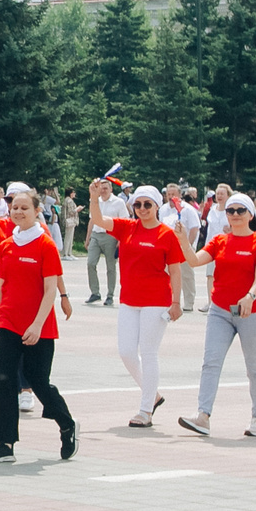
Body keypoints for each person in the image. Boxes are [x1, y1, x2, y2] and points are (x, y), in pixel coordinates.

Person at [0, 184, 74, 463]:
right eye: (14, 207)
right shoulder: (6, 244)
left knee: (39, 381)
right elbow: (1, 285)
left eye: (24, 207)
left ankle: (66, 425)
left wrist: (37, 325)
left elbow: (49, 289)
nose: (18, 211)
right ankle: (5, 444)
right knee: (3, 379)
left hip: (39, 324)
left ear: (37, 211)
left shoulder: (45, 244)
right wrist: (0, 317)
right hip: (8, 321)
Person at [88, 182, 189, 428]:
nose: (142, 209)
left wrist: (176, 302)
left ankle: (146, 410)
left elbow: (175, 271)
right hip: (129, 300)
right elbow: (99, 219)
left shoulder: (167, 234)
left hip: (157, 301)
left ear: (157, 206)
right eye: (138, 205)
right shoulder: (127, 228)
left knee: (149, 352)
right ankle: (152, 394)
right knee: (126, 352)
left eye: (147, 205)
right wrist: (93, 197)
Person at [181, 193, 256, 439]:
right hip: (220, 310)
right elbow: (193, 260)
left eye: (240, 210)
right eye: (230, 210)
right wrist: (182, 240)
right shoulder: (220, 240)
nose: (234, 215)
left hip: (251, 312)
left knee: (255, 367)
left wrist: (250, 296)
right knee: (211, 361)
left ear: (250, 215)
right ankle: (203, 416)